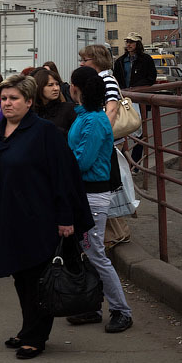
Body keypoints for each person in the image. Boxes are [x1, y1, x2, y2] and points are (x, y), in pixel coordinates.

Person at [0, 74, 93, 359]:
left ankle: (36, 336)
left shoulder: (45, 133)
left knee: (37, 279)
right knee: (20, 277)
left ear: (29, 101)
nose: (7, 104)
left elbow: (64, 178)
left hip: (38, 218)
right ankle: (28, 327)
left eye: (14, 98)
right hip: (6, 218)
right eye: (3, 99)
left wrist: (66, 218)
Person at [65, 66, 133, 333]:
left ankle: (121, 310)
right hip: (85, 193)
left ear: (75, 88)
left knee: (95, 253)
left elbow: (83, 160)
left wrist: (60, 163)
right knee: (88, 252)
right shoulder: (87, 116)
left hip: (92, 194)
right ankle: (93, 305)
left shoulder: (92, 120)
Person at [79, 45, 133, 248]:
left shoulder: (106, 80)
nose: (82, 63)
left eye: (85, 60)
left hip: (106, 142)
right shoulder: (102, 79)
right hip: (106, 141)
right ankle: (115, 233)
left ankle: (118, 234)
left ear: (97, 61)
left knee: (107, 190)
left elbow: (111, 109)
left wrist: (101, 135)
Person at [112, 33, 156, 168]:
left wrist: (136, 88)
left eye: (132, 42)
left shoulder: (146, 60)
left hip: (140, 99)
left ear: (138, 44)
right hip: (125, 99)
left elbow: (151, 78)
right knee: (122, 130)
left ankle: (135, 164)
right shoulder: (120, 61)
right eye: (127, 42)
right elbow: (116, 79)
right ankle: (126, 163)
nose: (129, 45)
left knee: (139, 131)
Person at [31, 67, 76, 137]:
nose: (56, 88)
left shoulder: (69, 109)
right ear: (39, 87)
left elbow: (75, 137)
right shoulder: (31, 111)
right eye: (50, 85)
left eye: (57, 84)